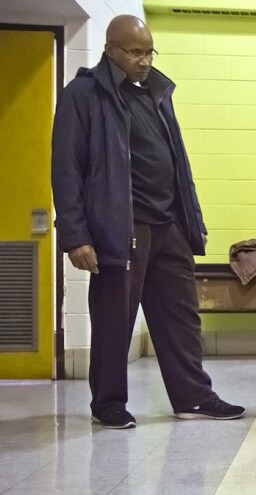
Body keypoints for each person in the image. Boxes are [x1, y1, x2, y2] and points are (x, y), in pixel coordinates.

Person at [51, 15, 244, 429]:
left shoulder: (156, 93)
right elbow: (65, 167)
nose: (143, 60)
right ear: (110, 50)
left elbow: (177, 161)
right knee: (114, 317)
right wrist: (74, 235)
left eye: (148, 51)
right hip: (120, 224)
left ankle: (193, 397)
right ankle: (108, 404)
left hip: (168, 223)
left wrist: (191, 218)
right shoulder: (83, 95)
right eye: (134, 52)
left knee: (181, 314)